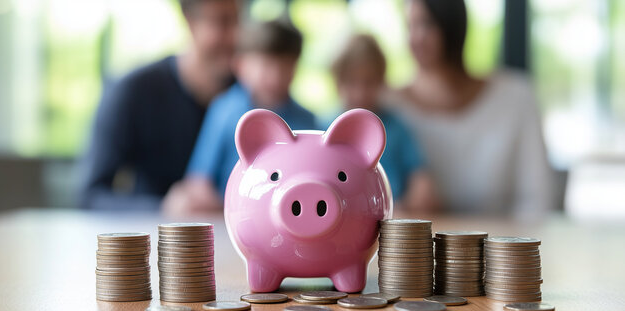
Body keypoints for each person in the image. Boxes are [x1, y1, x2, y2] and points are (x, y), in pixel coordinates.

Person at [385, 0, 554, 216]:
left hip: (501, 245)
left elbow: (537, 200)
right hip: (420, 247)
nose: (415, 38)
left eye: (427, 24)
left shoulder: (516, 99)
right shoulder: (387, 106)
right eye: (409, 27)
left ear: (454, 26)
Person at [78, 0, 239, 210]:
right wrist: (164, 208)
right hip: (155, 237)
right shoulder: (133, 91)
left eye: (239, 20)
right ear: (190, 21)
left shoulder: (257, 96)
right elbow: (91, 195)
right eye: (222, 22)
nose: (236, 35)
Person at [162, 19, 316, 215]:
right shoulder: (224, 111)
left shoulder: (307, 121)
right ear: (241, 66)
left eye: (286, 66)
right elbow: (199, 180)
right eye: (266, 65)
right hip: (229, 215)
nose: (276, 76)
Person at [331, 34, 438, 212]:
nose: (360, 92)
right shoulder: (323, 128)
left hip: (390, 217)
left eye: (369, 82)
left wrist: (413, 200)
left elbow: (422, 182)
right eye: (351, 82)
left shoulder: (395, 128)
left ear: (381, 81)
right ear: (337, 82)